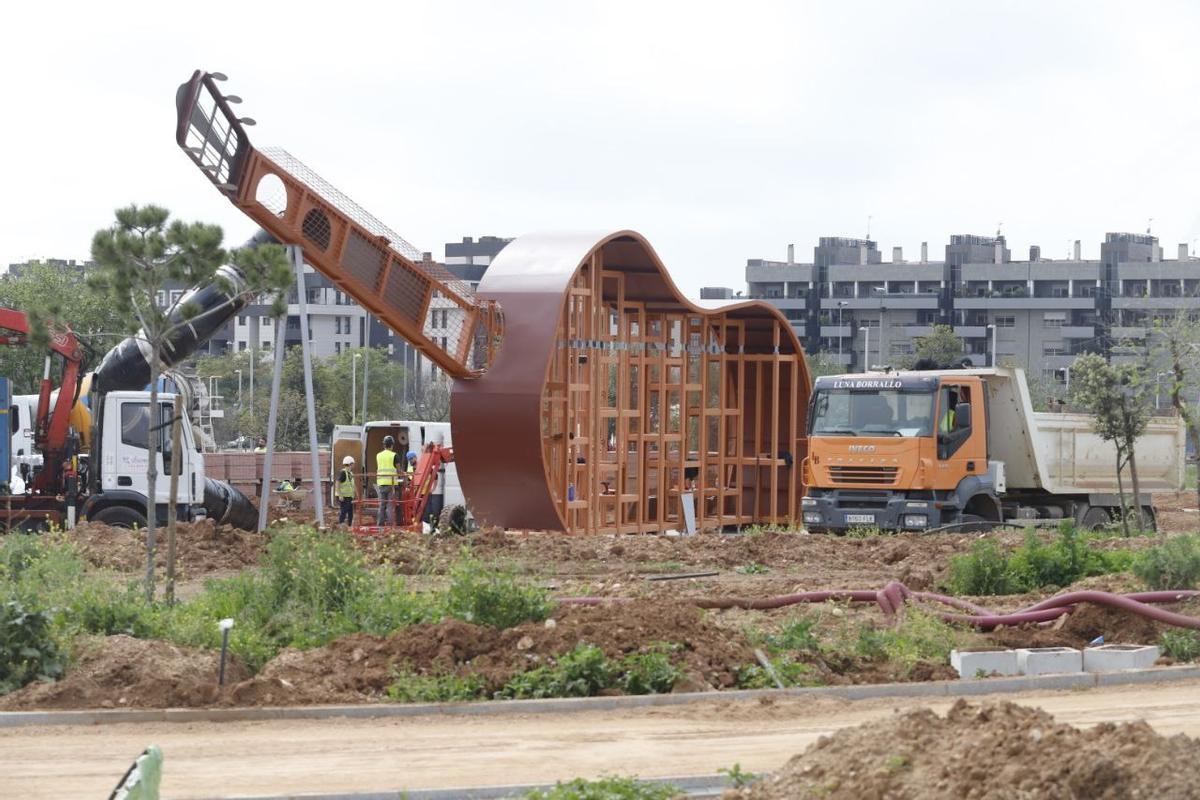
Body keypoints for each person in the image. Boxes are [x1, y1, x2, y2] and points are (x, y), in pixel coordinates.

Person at [376, 435, 400, 525]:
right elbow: (398, 470)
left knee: (382, 505)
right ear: (392, 445)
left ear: (384, 445)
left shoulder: (378, 455)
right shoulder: (394, 455)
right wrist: (404, 475)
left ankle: (380, 524)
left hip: (381, 483)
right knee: (390, 505)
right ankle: (390, 525)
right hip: (391, 484)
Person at [336, 455, 356, 526]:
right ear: (350, 464)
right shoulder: (343, 473)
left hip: (349, 496)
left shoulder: (350, 473)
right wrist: (340, 494)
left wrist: (354, 493)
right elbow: (337, 483)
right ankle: (341, 526)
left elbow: (352, 485)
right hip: (344, 497)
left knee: (351, 513)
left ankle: (349, 526)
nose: (354, 465)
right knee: (344, 512)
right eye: (353, 464)